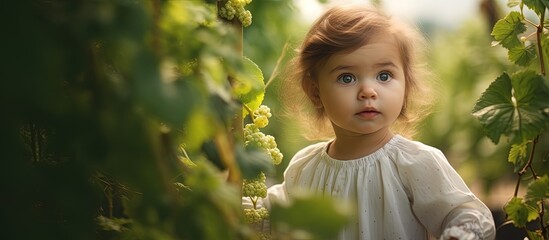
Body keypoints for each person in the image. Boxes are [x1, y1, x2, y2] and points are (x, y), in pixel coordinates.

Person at [254, 4, 496, 240]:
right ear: (315, 91)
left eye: (384, 75)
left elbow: (467, 214)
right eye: (346, 77)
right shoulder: (305, 167)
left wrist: (460, 233)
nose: (368, 91)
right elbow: (270, 214)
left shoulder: (414, 163)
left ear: (406, 84)